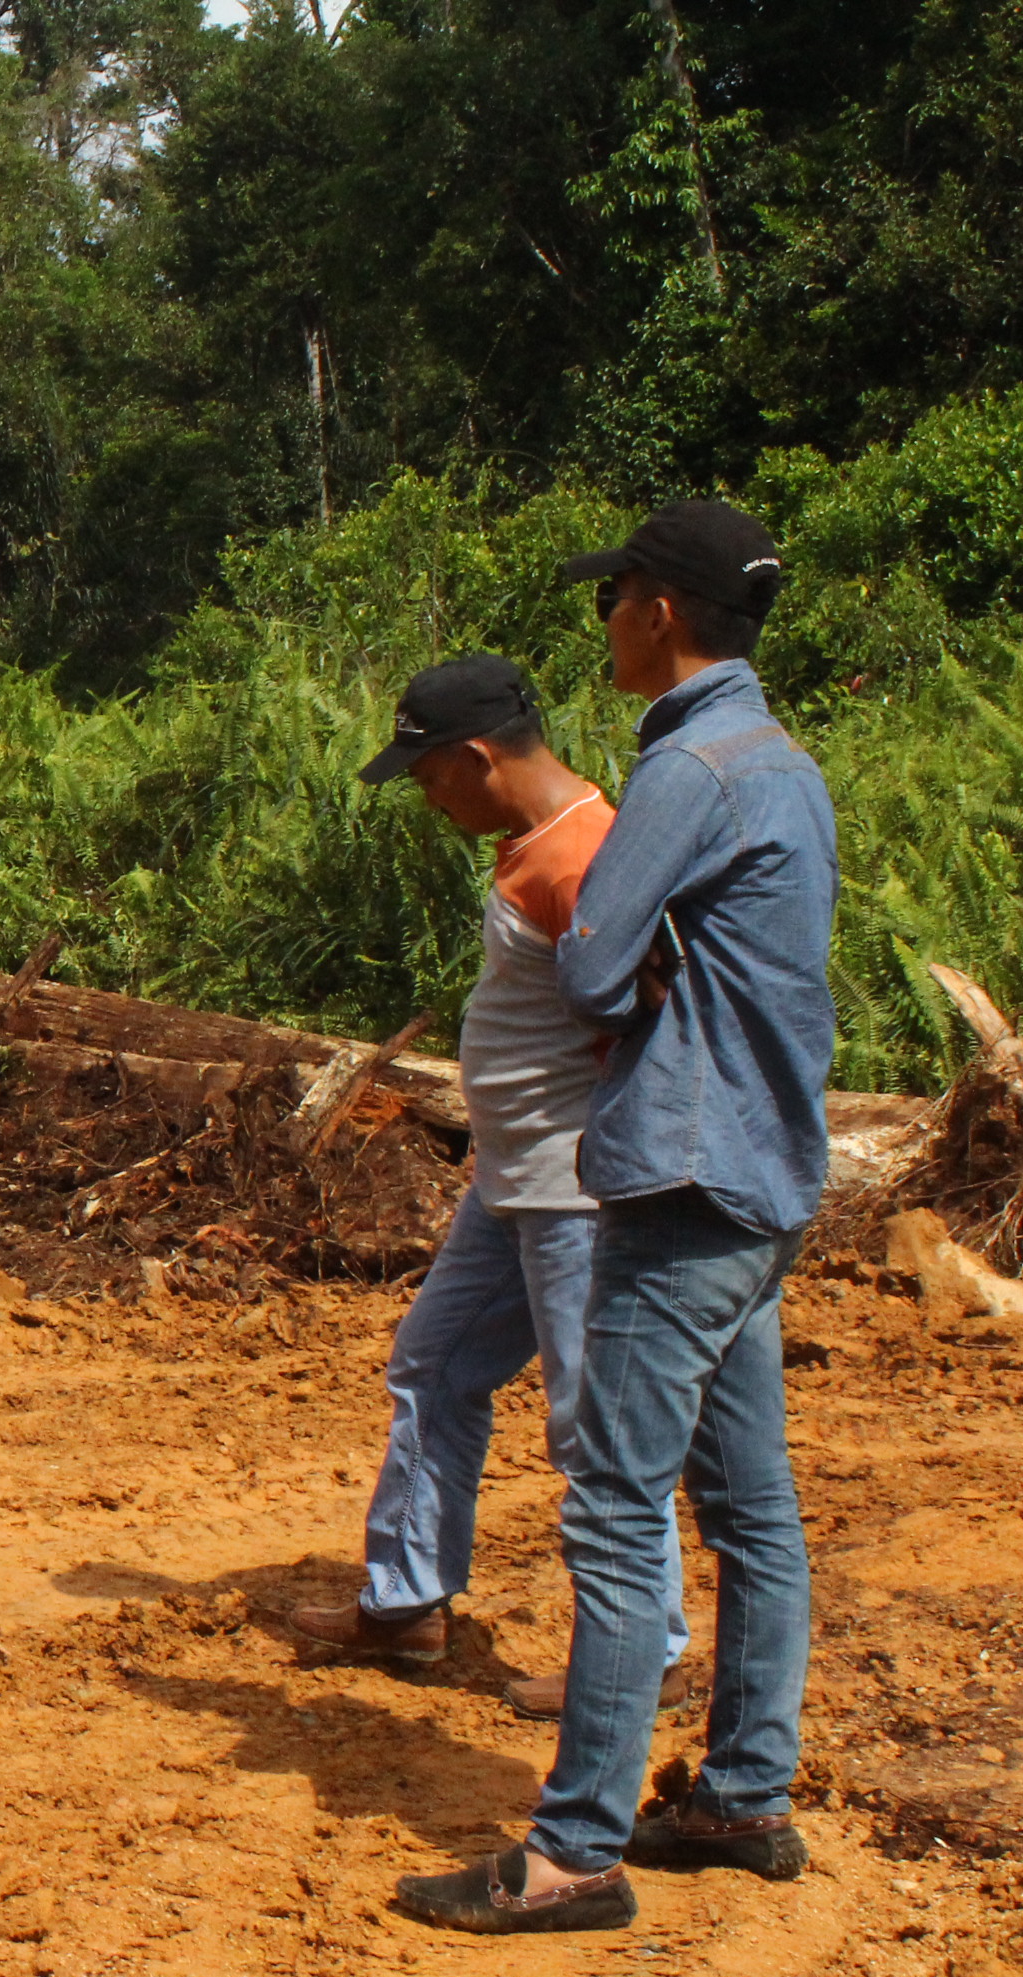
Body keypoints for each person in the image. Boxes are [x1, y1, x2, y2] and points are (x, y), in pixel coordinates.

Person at [399, 501, 834, 1936]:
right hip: (764, 1171)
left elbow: (591, 963)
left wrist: (629, 956)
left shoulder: (687, 771)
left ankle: (580, 1846)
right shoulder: (781, 762)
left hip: (679, 1178)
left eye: (617, 598)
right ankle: (743, 1798)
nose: (606, 623)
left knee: (615, 1501)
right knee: (752, 1512)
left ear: (659, 611)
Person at [287, 654, 690, 1715]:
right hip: (512, 1183)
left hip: (575, 1195)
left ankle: (634, 1655)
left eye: (428, 776)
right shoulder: (532, 846)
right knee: (433, 1367)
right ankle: (407, 1598)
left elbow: (649, 1022)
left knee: (594, 1425)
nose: (426, 798)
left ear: (476, 757)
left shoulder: (587, 857)